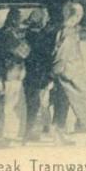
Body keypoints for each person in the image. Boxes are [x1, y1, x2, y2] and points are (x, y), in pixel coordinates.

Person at [51, 2, 86, 145]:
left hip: (66, 69)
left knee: (62, 101)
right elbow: (62, 53)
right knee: (85, 100)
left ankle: (58, 134)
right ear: (76, 15)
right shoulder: (68, 31)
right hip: (69, 71)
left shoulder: (66, 29)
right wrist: (60, 70)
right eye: (80, 14)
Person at [0, 7, 31, 145]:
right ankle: (10, 135)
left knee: (13, 105)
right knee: (12, 105)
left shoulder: (7, 33)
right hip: (13, 73)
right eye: (19, 18)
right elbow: (24, 52)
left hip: (12, 73)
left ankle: (12, 134)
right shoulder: (9, 35)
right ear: (14, 19)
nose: (20, 21)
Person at [23, 8, 56, 142]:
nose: (47, 19)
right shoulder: (40, 36)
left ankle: (41, 129)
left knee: (37, 102)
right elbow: (46, 55)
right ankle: (33, 132)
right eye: (45, 17)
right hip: (40, 73)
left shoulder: (28, 34)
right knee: (39, 102)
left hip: (31, 73)